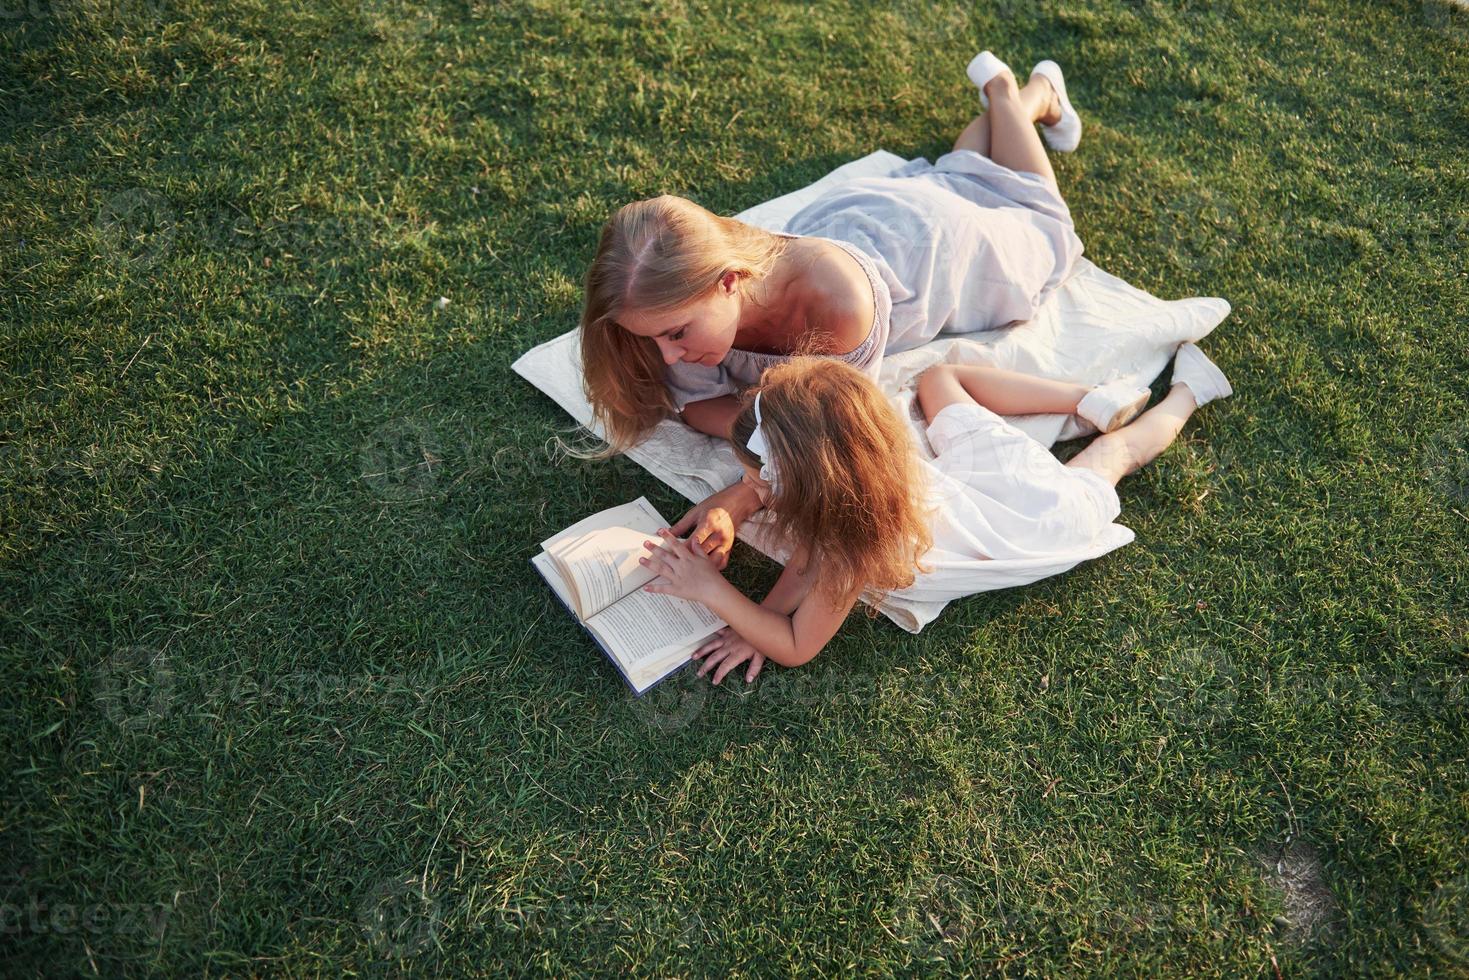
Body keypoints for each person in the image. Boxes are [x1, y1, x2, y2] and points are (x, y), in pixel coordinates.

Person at [578, 50, 1091, 561]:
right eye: (656, 339)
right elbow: (696, 408)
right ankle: (1003, 93)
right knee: (958, 175)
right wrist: (756, 416)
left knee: (1044, 224)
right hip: (866, 219)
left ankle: (1020, 91)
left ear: (729, 280)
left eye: (675, 334)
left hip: (937, 250)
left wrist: (746, 484)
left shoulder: (838, 312)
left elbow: (820, 426)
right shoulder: (696, 300)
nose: (668, 357)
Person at [635, 343, 1234, 685]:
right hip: (976, 487)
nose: (750, 487)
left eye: (754, 476)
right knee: (941, 379)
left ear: (811, 486)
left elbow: (796, 645)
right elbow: (801, 567)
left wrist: (714, 591)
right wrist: (758, 616)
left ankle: (1189, 391)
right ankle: (1085, 400)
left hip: (1035, 517)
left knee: (1115, 457)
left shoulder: (850, 545)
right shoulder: (862, 474)